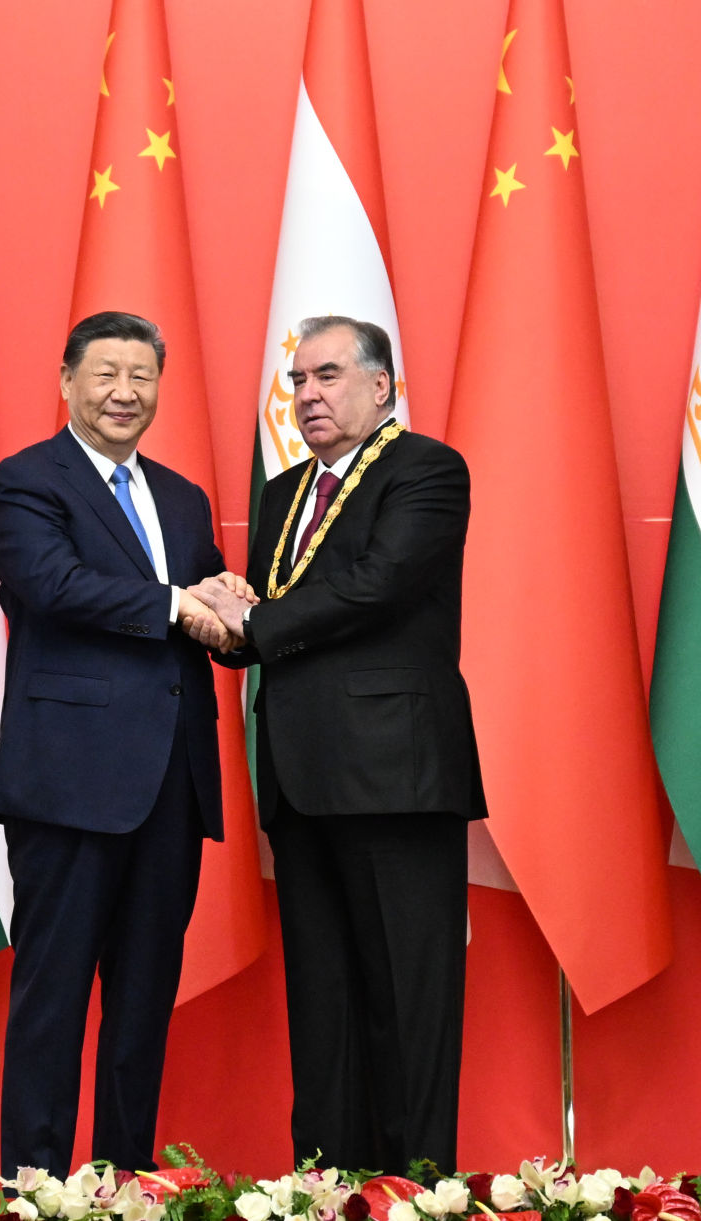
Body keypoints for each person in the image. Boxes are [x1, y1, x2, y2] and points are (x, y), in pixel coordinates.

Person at [188, 316, 486, 1175]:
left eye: (327, 375)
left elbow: (379, 583)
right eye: (298, 381)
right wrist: (221, 623)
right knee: (322, 1003)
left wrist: (257, 622)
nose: (308, 395)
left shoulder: (426, 469)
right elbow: (273, 617)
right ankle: (324, 1186)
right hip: (298, 775)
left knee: (409, 999)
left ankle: (418, 1187)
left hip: (396, 773)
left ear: (381, 385)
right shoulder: (285, 490)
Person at [0, 310, 245, 1178]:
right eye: (106, 373)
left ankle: (125, 1182)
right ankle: (36, 1187)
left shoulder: (183, 496)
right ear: (67, 382)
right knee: (51, 998)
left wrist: (235, 614)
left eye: (142, 375)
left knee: (143, 1005)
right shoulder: (28, 480)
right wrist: (177, 603)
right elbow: (52, 584)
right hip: (67, 783)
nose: (125, 391)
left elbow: (206, 617)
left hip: (172, 784)